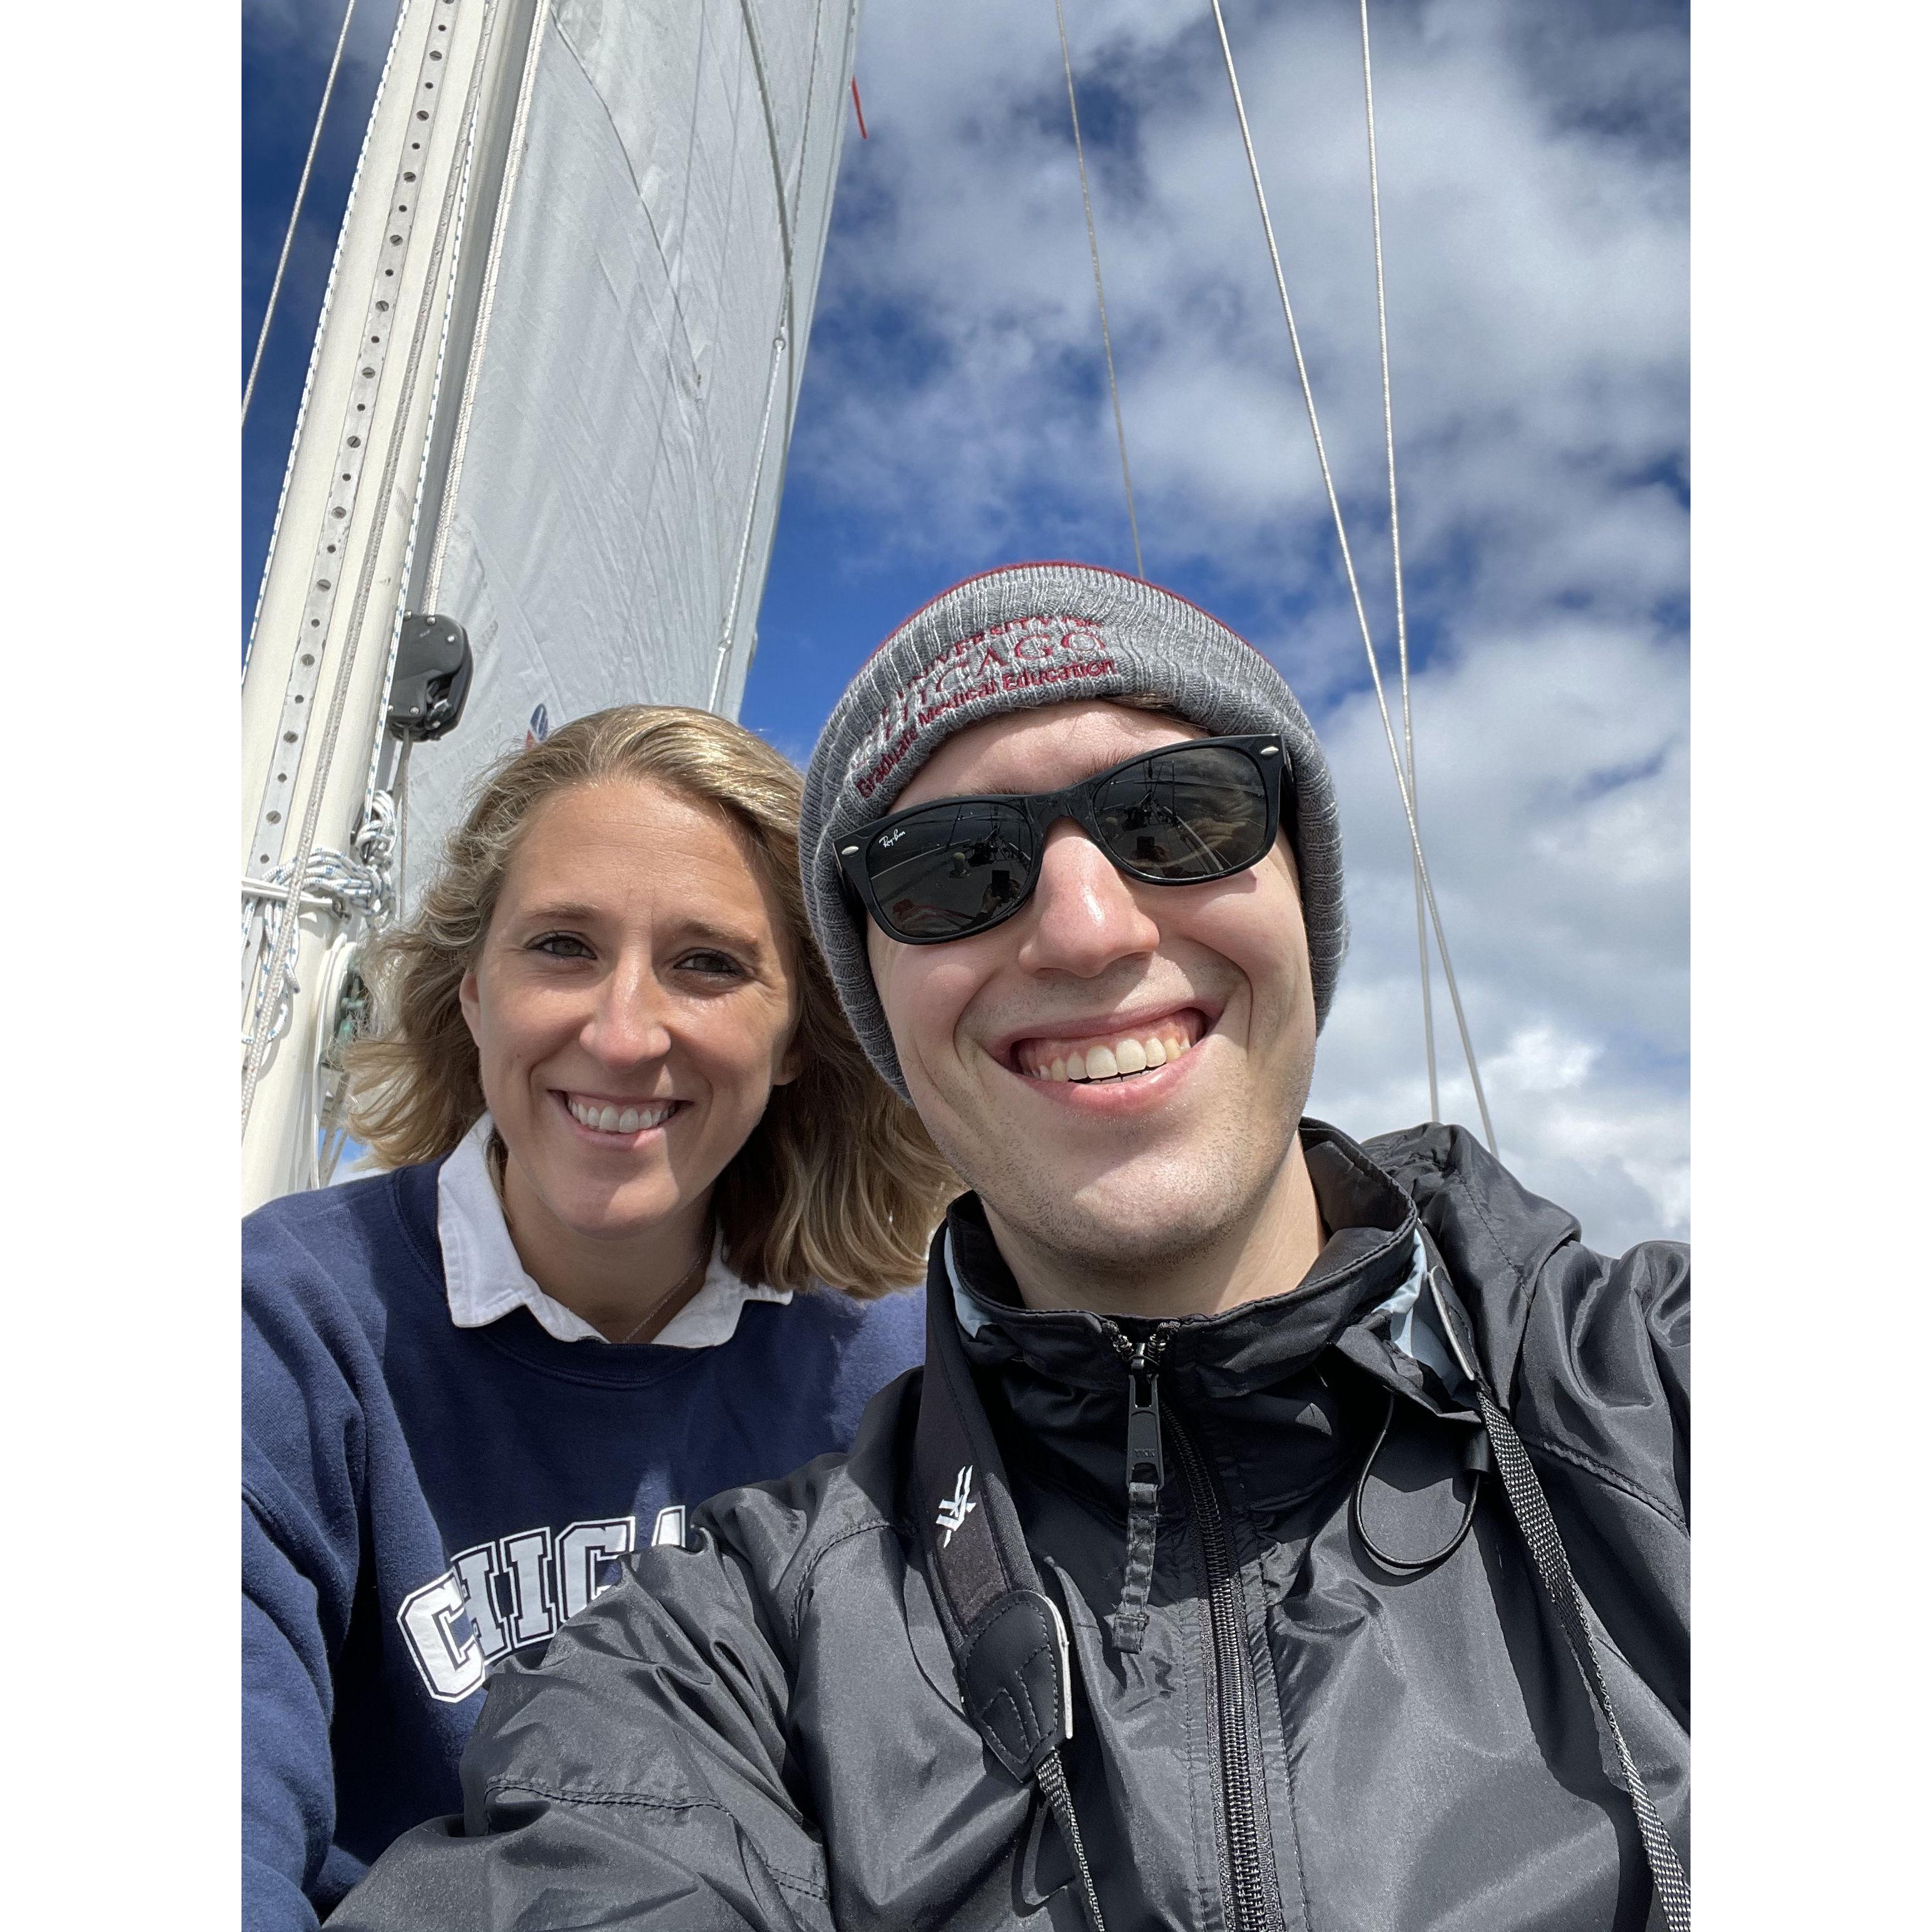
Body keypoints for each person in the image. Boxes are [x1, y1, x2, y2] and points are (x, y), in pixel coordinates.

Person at [330, 567, 1690, 1931]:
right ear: (878, 1015)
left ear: (1302, 889)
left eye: (1180, 814)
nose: (1086, 925)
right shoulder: (726, 1648)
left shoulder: (1661, 1394)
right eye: (951, 872)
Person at [243, 705, 955, 1930]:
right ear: (471, 993)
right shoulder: (288, 1324)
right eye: (562, 945)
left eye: (708, 962)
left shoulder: (897, 1370)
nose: (623, 1032)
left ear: (796, 1036)